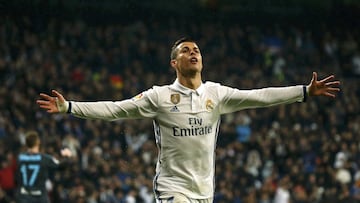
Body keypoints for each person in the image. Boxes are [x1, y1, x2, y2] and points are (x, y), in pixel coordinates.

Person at [36, 37, 340, 203]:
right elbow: (116, 109)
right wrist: (70, 107)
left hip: (204, 191)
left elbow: (260, 96)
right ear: (174, 62)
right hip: (172, 189)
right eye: (186, 50)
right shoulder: (159, 97)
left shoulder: (216, 94)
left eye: (196, 50)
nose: (193, 52)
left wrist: (303, 91)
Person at [15, 131, 72, 203]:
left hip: (23, 196)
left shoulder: (20, 157)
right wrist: (67, 157)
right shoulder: (44, 159)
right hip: (39, 196)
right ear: (38, 143)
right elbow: (61, 166)